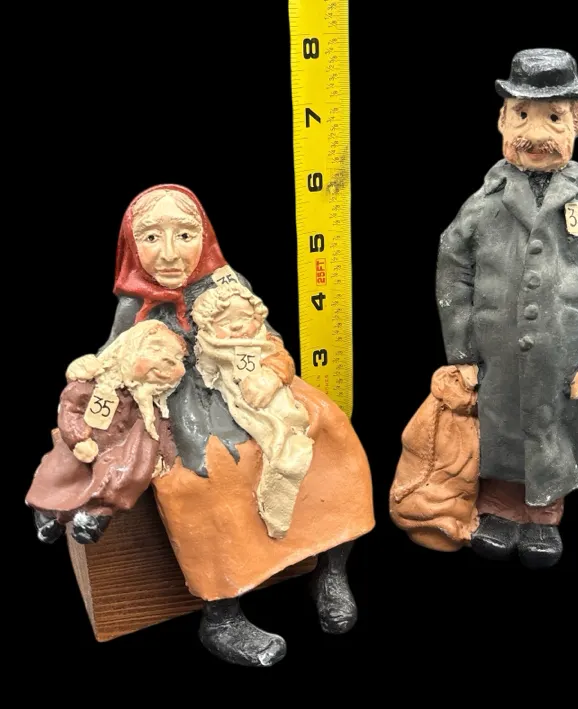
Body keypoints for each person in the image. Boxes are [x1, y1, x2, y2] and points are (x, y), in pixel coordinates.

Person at [88, 184, 374, 665]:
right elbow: (111, 361)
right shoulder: (134, 306)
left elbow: (269, 338)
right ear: (132, 246)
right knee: (204, 476)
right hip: (183, 401)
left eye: (184, 234)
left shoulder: (227, 283)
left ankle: (330, 569)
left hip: (247, 384)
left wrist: (271, 373)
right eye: (152, 237)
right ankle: (221, 615)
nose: (170, 252)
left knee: (326, 428)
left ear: (204, 236)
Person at [435, 49, 578, 568]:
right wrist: (462, 351)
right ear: (502, 119)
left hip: (562, 361)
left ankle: (543, 516)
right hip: (496, 357)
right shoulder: (482, 206)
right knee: (498, 428)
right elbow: (453, 274)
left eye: (553, 118)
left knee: (553, 432)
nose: (535, 133)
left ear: (577, 122)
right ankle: (498, 509)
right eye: (523, 115)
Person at [26, 321, 187, 544]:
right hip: (87, 441)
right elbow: (71, 406)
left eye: (175, 359)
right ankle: (48, 512)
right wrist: (77, 438)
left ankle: (94, 517)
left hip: (120, 450)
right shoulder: (99, 383)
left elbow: (163, 434)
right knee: (63, 471)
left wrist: (164, 456)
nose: (167, 362)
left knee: (121, 475)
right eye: (156, 350)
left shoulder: (152, 407)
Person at [192, 281, 313, 540]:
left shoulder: (264, 342)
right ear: (208, 326)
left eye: (244, 318)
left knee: (285, 436)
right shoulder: (208, 347)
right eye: (225, 321)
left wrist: (271, 377)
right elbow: (205, 375)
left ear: (257, 318)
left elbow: (283, 362)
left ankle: (280, 496)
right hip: (232, 404)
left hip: (270, 397)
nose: (237, 326)